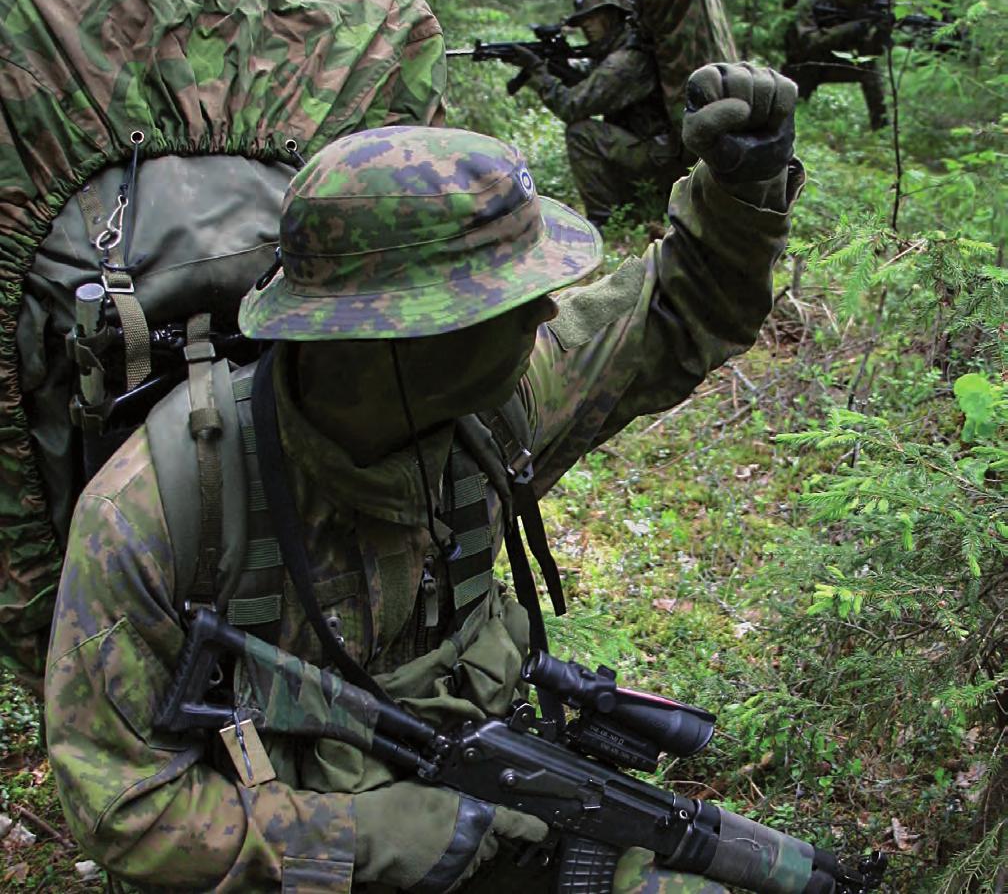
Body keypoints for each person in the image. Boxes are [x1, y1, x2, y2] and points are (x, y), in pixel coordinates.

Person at [46, 62, 802, 894]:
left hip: (486, 818)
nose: (546, 313)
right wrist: (371, 835)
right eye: (507, 299)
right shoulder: (158, 510)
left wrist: (743, 183)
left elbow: (667, 313)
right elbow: (123, 800)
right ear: (391, 336)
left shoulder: (493, 404)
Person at [505, 0, 682, 228]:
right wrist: (556, 65)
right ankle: (628, 208)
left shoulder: (625, 61)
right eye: (581, 21)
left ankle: (604, 221)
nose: (586, 26)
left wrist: (538, 73)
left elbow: (572, 106)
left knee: (581, 133)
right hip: (650, 149)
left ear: (611, 16)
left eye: (592, 17)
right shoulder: (616, 50)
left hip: (658, 157)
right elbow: (589, 77)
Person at [782, 0, 890, 130]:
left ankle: (881, 128)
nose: (857, 1)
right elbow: (810, 42)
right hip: (804, 63)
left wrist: (880, 32)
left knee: (870, 72)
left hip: (837, 61)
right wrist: (852, 27)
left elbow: (872, 51)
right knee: (790, 105)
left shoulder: (864, 8)